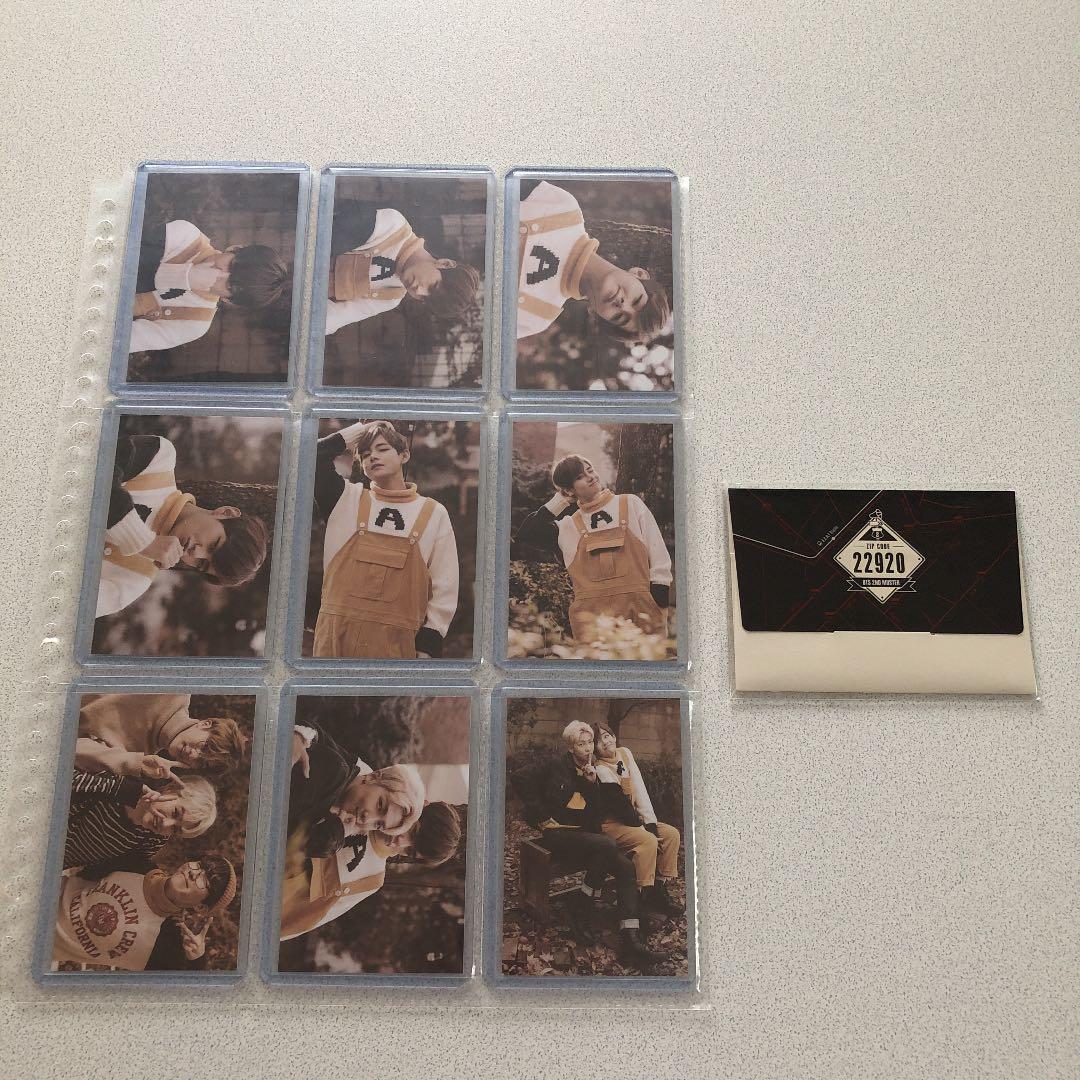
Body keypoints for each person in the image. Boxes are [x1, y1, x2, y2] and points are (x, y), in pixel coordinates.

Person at [514, 719, 668, 967]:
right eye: (581, 744)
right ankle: (581, 908)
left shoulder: (592, 770)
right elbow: (519, 778)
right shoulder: (555, 764)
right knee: (607, 845)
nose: (587, 748)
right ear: (570, 747)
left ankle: (630, 939)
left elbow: (596, 813)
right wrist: (540, 816)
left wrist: (590, 784)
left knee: (625, 867)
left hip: (586, 837)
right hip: (557, 834)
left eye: (589, 743)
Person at [311, 420, 459, 659]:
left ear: (404, 455)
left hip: (398, 645)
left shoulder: (433, 512)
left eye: (382, 449)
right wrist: (363, 429)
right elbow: (312, 455)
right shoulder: (344, 499)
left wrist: (430, 641)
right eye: (365, 454)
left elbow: (446, 582)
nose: (373, 457)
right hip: (335, 640)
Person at [98, 432, 270, 618]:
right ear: (226, 513)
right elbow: (95, 466)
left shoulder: (136, 579)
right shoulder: (160, 459)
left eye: (201, 564)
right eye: (213, 544)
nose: (196, 553)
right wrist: (143, 542)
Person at [512, 454, 673, 642]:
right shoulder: (568, 526)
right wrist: (560, 500)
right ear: (569, 490)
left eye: (590, 470)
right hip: (591, 622)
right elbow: (527, 533)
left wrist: (659, 606)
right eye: (580, 477)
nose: (590, 477)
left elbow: (658, 555)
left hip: (640, 612)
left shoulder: (630, 503)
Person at [279, 801, 462, 941]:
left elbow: (312, 917)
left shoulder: (373, 878)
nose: (401, 842)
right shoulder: (369, 804)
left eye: (410, 851)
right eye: (412, 832)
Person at [514, 180, 670, 341]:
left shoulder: (536, 318)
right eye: (636, 300)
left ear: (600, 316)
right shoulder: (564, 209)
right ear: (639, 274)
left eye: (619, 317)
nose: (623, 306)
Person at [129, 218, 289, 353]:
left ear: (228, 300)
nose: (220, 274)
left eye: (230, 285)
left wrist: (186, 278)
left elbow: (123, 340)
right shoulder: (187, 237)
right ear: (234, 248)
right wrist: (187, 275)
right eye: (231, 265)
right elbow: (123, 258)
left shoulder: (195, 322)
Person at [53, 855, 236, 971]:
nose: (194, 873)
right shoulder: (137, 863)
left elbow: (188, 997)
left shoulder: (164, 944)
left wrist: (197, 960)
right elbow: (79, 865)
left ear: (200, 908)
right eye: (200, 865)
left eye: (205, 881)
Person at [324, 200, 481, 335]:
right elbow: (323, 239)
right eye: (432, 286)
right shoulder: (393, 227)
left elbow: (331, 319)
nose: (419, 291)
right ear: (445, 263)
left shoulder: (391, 297)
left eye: (425, 298)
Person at [592, 721, 684, 917]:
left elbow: (640, 791)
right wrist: (645, 830)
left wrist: (650, 823)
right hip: (612, 824)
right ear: (595, 749)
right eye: (599, 741)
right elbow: (621, 808)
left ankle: (658, 891)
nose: (606, 742)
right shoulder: (600, 769)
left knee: (671, 834)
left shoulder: (625, 753)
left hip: (634, 819)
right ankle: (639, 898)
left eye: (607, 735)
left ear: (613, 736)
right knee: (648, 841)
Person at [63, 770, 216, 873]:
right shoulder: (121, 784)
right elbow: (64, 783)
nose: (166, 824)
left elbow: (111, 869)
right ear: (170, 789)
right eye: (175, 813)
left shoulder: (154, 839)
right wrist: (122, 790)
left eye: (175, 830)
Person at [76, 692, 248, 777]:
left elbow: (72, 750)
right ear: (205, 724)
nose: (193, 755)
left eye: (200, 762)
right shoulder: (176, 690)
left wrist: (135, 763)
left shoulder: (135, 758)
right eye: (203, 747)